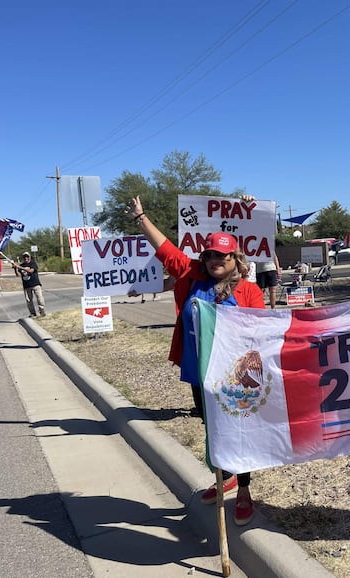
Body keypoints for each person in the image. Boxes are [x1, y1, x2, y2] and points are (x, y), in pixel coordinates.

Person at [126, 195, 265, 526]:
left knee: (237, 432)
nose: (215, 259)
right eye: (210, 254)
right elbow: (166, 249)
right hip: (200, 372)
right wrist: (141, 218)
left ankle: (243, 490)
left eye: (222, 254)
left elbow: (261, 334)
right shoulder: (191, 277)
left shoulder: (249, 291)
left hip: (235, 378)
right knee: (213, 430)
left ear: (235, 258)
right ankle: (224, 478)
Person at [13, 252, 46, 317]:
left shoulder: (33, 263)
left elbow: (31, 271)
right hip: (27, 285)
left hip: (35, 284)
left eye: (27, 257)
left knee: (40, 298)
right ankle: (32, 313)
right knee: (29, 301)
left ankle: (42, 311)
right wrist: (15, 269)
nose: (26, 258)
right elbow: (18, 275)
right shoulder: (21, 265)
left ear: (29, 257)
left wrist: (20, 267)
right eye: (24, 257)